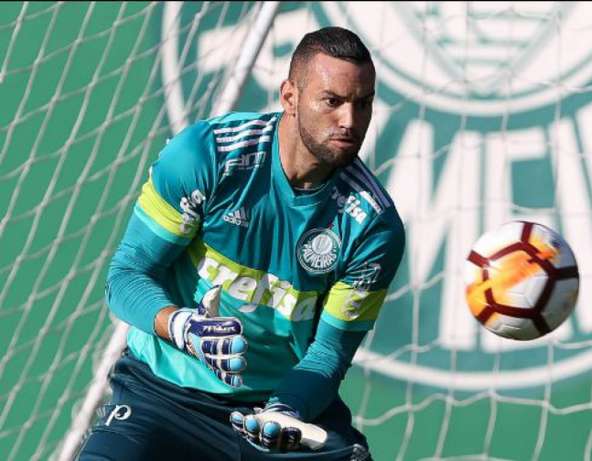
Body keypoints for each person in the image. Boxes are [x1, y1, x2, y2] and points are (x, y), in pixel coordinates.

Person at [78, 26, 405, 461]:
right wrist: (184, 328)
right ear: (289, 97)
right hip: (163, 396)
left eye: (362, 104)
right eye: (333, 101)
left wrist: (286, 411)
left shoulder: (374, 225)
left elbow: (328, 352)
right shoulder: (207, 156)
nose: (350, 121)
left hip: (276, 410)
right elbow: (126, 276)